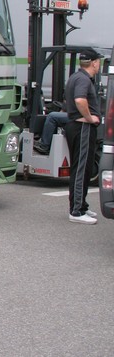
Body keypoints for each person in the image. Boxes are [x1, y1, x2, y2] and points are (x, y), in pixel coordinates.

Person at [64, 48, 103, 225]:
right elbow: (80, 100)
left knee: (84, 168)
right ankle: (77, 211)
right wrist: (89, 118)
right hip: (82, 128)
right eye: (99, 61)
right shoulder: (83, 80)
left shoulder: (76, 76)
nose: (99, 64)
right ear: (94, 62)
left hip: (78, 127)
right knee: (81, 169)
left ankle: (82, 205)